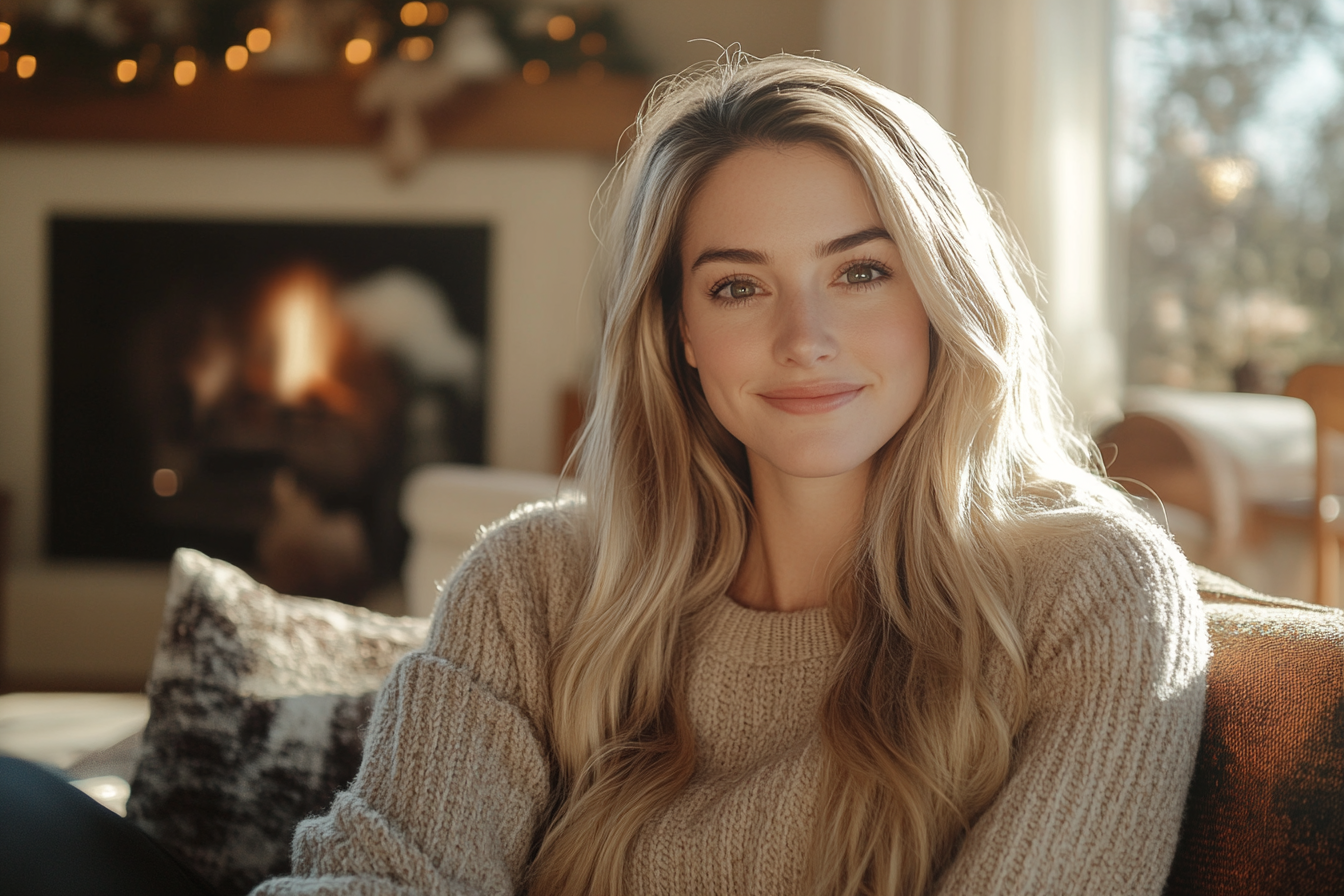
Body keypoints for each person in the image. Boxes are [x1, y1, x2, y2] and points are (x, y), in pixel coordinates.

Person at [254, 54, 1207, 895]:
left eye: (861, 271)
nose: (805, 341)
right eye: (738, 286)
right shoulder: (533, 584)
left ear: (940, 292)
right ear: (681, 333)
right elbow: (378, 878)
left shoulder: (1094, 591)